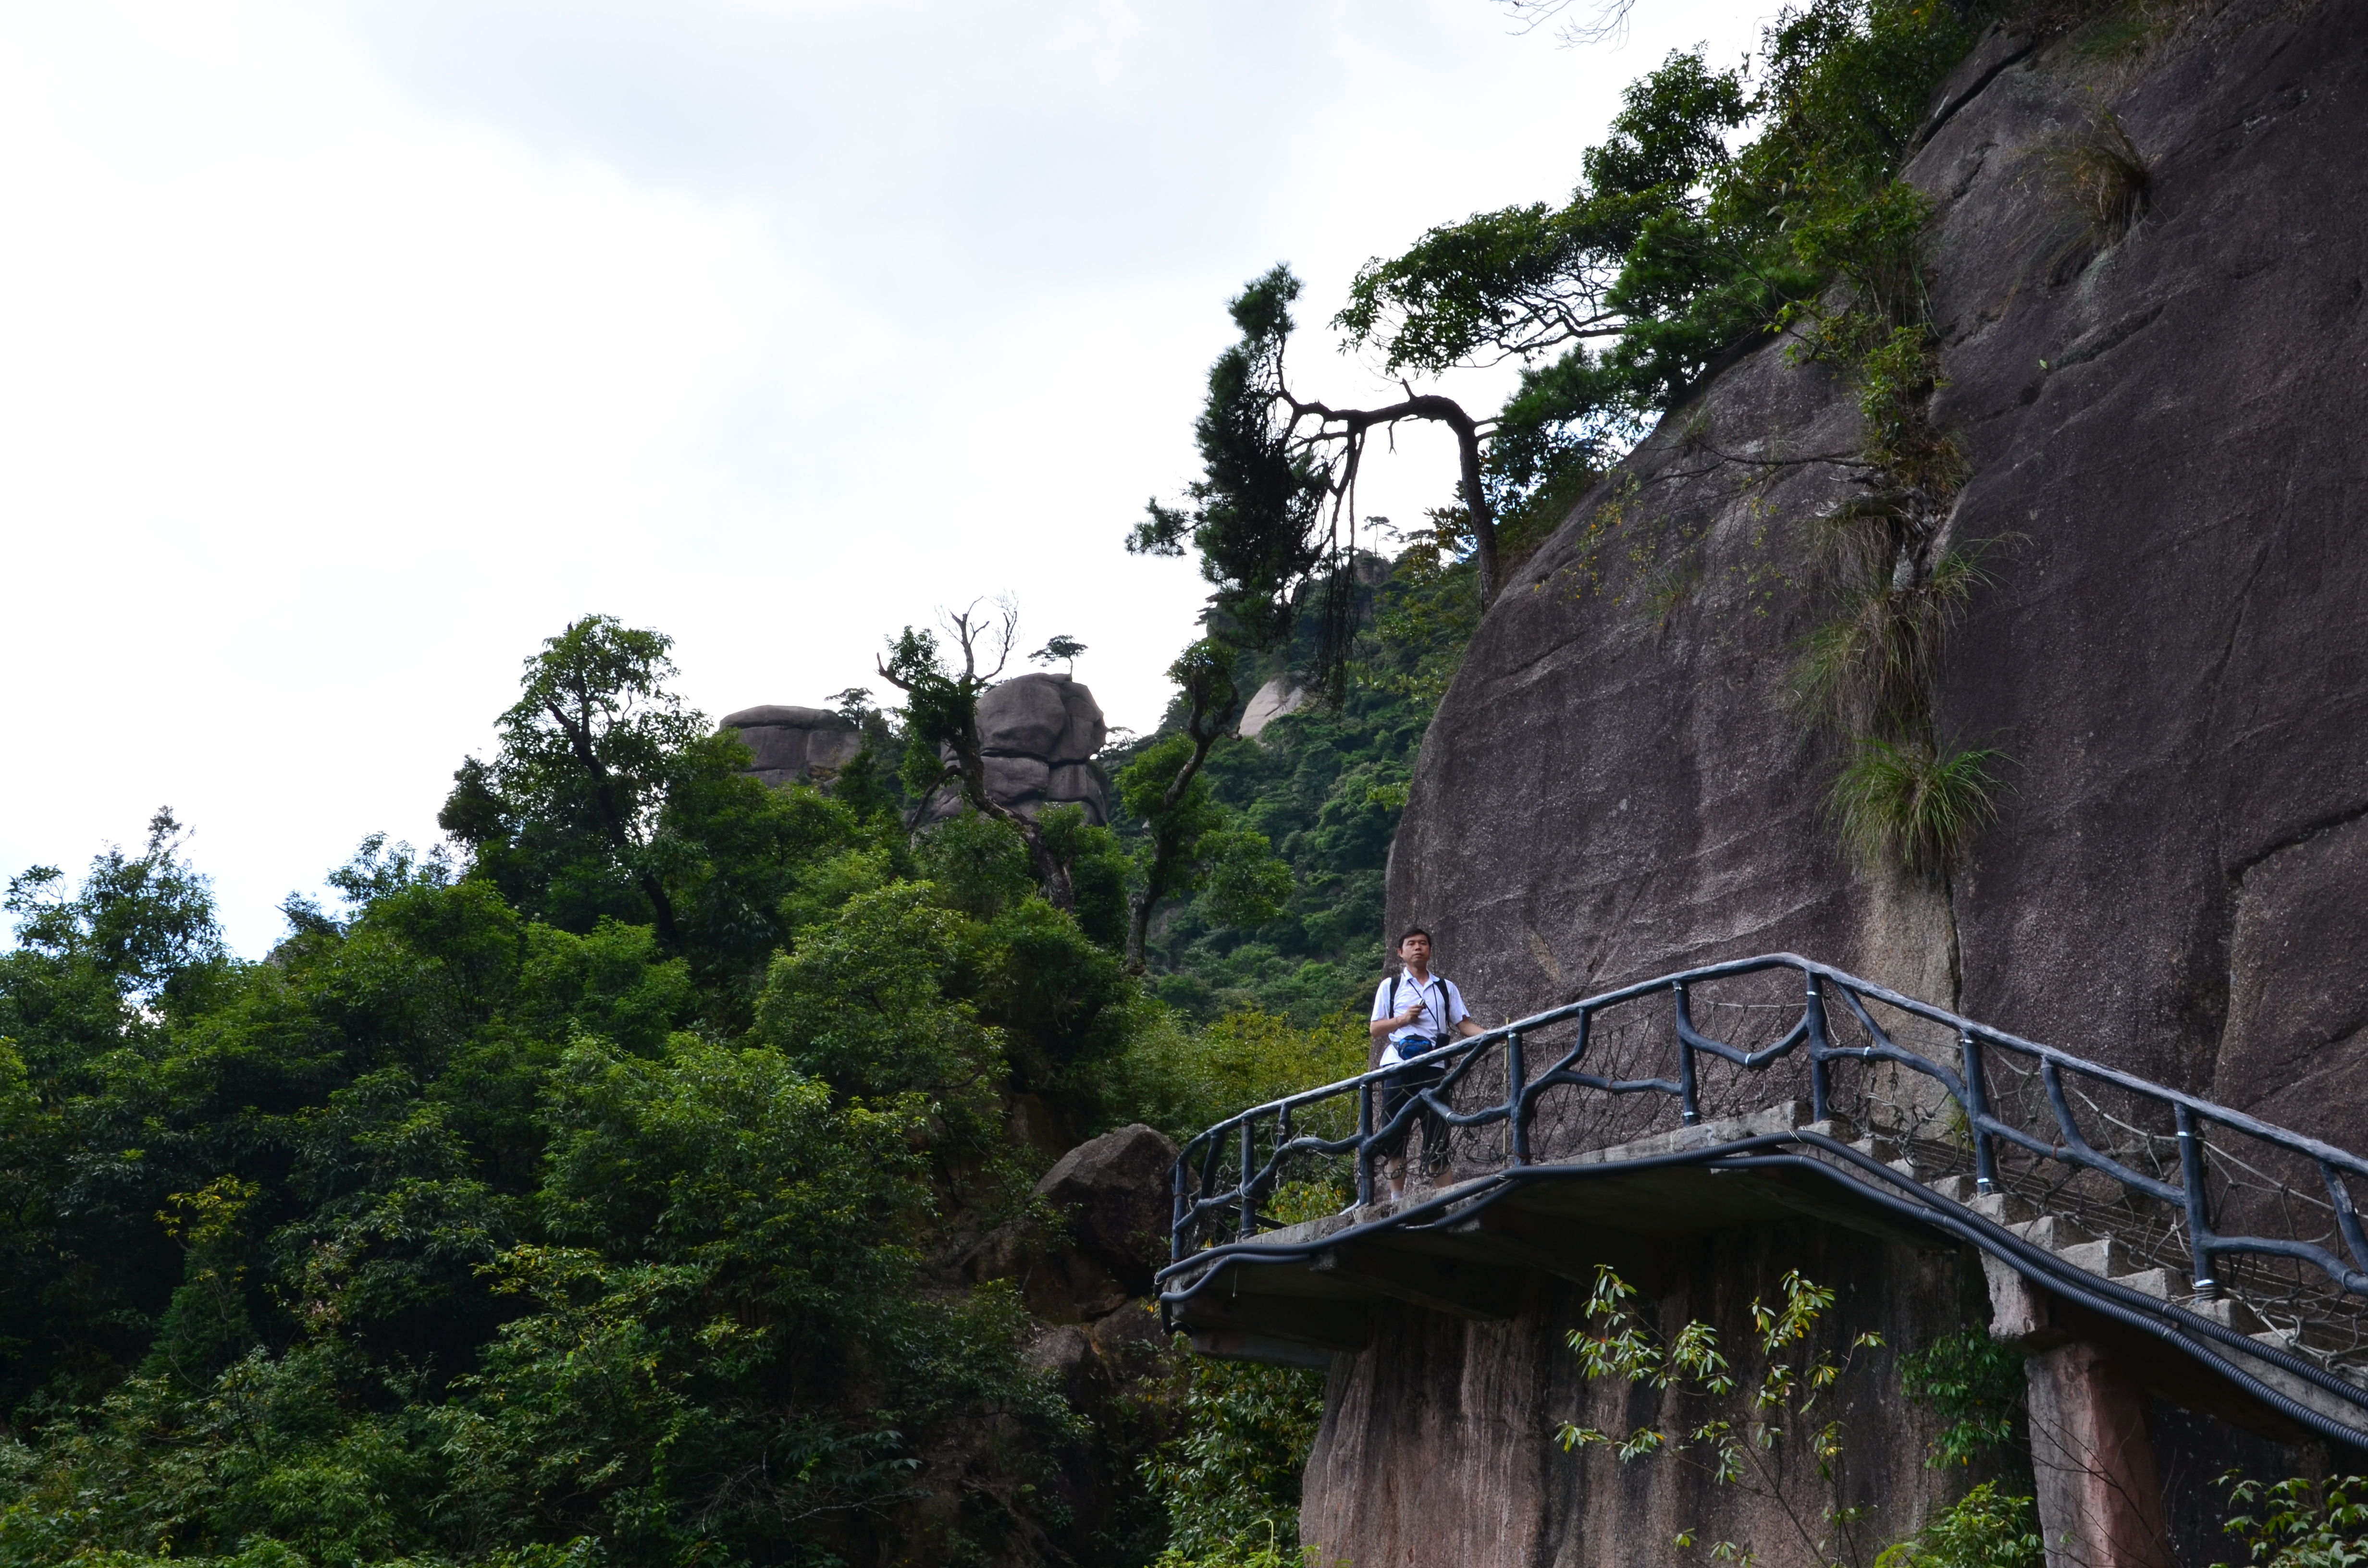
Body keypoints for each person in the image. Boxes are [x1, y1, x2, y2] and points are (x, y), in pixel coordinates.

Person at [1367, 927, 1484, 1202]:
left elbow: (1463, 1024)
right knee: (1396, 1133)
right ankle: (1397, 1201)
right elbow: (1375, 1029)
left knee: (1438, 1133)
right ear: (1401, 952)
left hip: (1434, 1067)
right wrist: (1403, 1020)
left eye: (1423, 943)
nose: (1418, 947)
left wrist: (1493, 1035)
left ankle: (1446, 1197)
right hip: (1398, 1066)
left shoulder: (1445, 987)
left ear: (1430, 950)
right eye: (1411, 944)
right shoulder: (1391, 986)